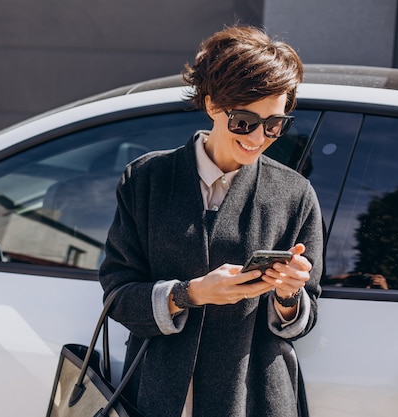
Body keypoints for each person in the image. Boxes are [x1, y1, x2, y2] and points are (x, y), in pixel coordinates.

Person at [99, 25, 323, 417]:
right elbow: (118, 296)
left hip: (253, 399)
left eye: (274, 124)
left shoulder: (295, 194)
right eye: (244, 121)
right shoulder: (147, 179)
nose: (259, 137)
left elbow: (304, 319)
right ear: (212, 105)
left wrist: (289, 295)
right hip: (160, 396)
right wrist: (191, 293)